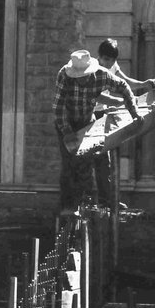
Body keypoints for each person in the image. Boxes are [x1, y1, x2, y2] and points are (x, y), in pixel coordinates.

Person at [53, 49, 140, 213]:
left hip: (87, 120)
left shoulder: (102, 75)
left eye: (83, 77)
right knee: (69, 163)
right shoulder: (64, 75)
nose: (80, 80)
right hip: (67, 122)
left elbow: (123, 86)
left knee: (93, 161)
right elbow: (58, 108)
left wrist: (133, 111)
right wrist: (67, 131)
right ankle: (68, 205)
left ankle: (94, 201)